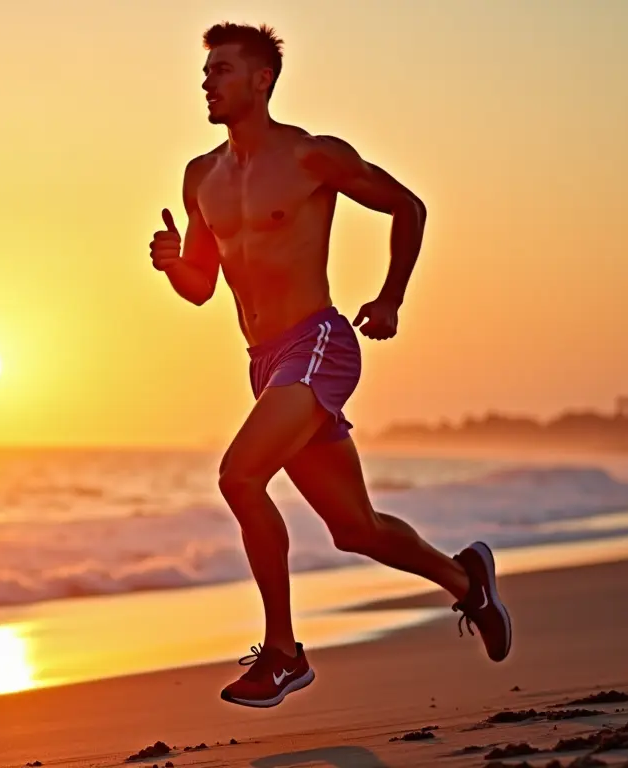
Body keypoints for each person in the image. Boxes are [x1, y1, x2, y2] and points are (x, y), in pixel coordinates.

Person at [147, 22, 512, 708]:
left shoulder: (311, 156)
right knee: (354, 529)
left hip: (318, 344)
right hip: (265, 363)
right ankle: (468, 581)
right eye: (206, 71)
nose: (207, 81)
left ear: (261, 80)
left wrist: (392, 297)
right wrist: (173, 264)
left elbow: (407, 206)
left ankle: (283, 653)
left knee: (239, 476)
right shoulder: (201, 177)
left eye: (221, 70)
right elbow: (201, 285)